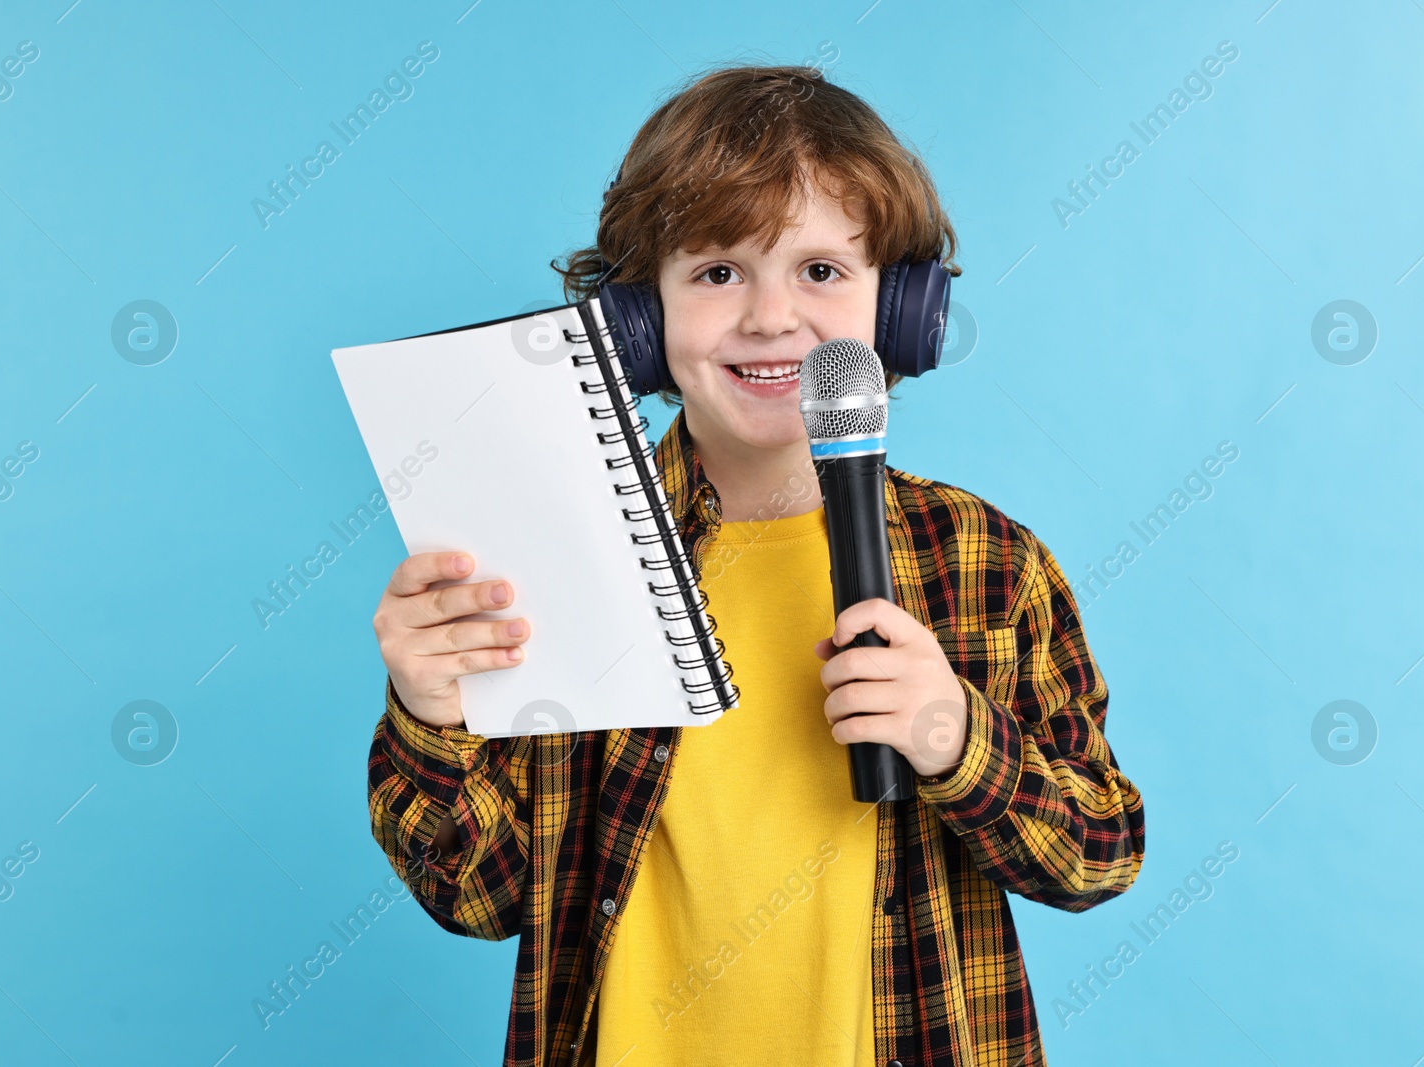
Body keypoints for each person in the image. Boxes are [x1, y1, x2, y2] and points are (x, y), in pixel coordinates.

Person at [366, 63, 1144, 1067]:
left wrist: (955, 738)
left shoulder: (985, 560)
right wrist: (430, 712)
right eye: (718, 271)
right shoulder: (559, 552)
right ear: (638, 322)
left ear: (900, 309)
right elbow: (478, 891)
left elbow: (1098, 852)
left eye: (821, 270)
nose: (772, 318)